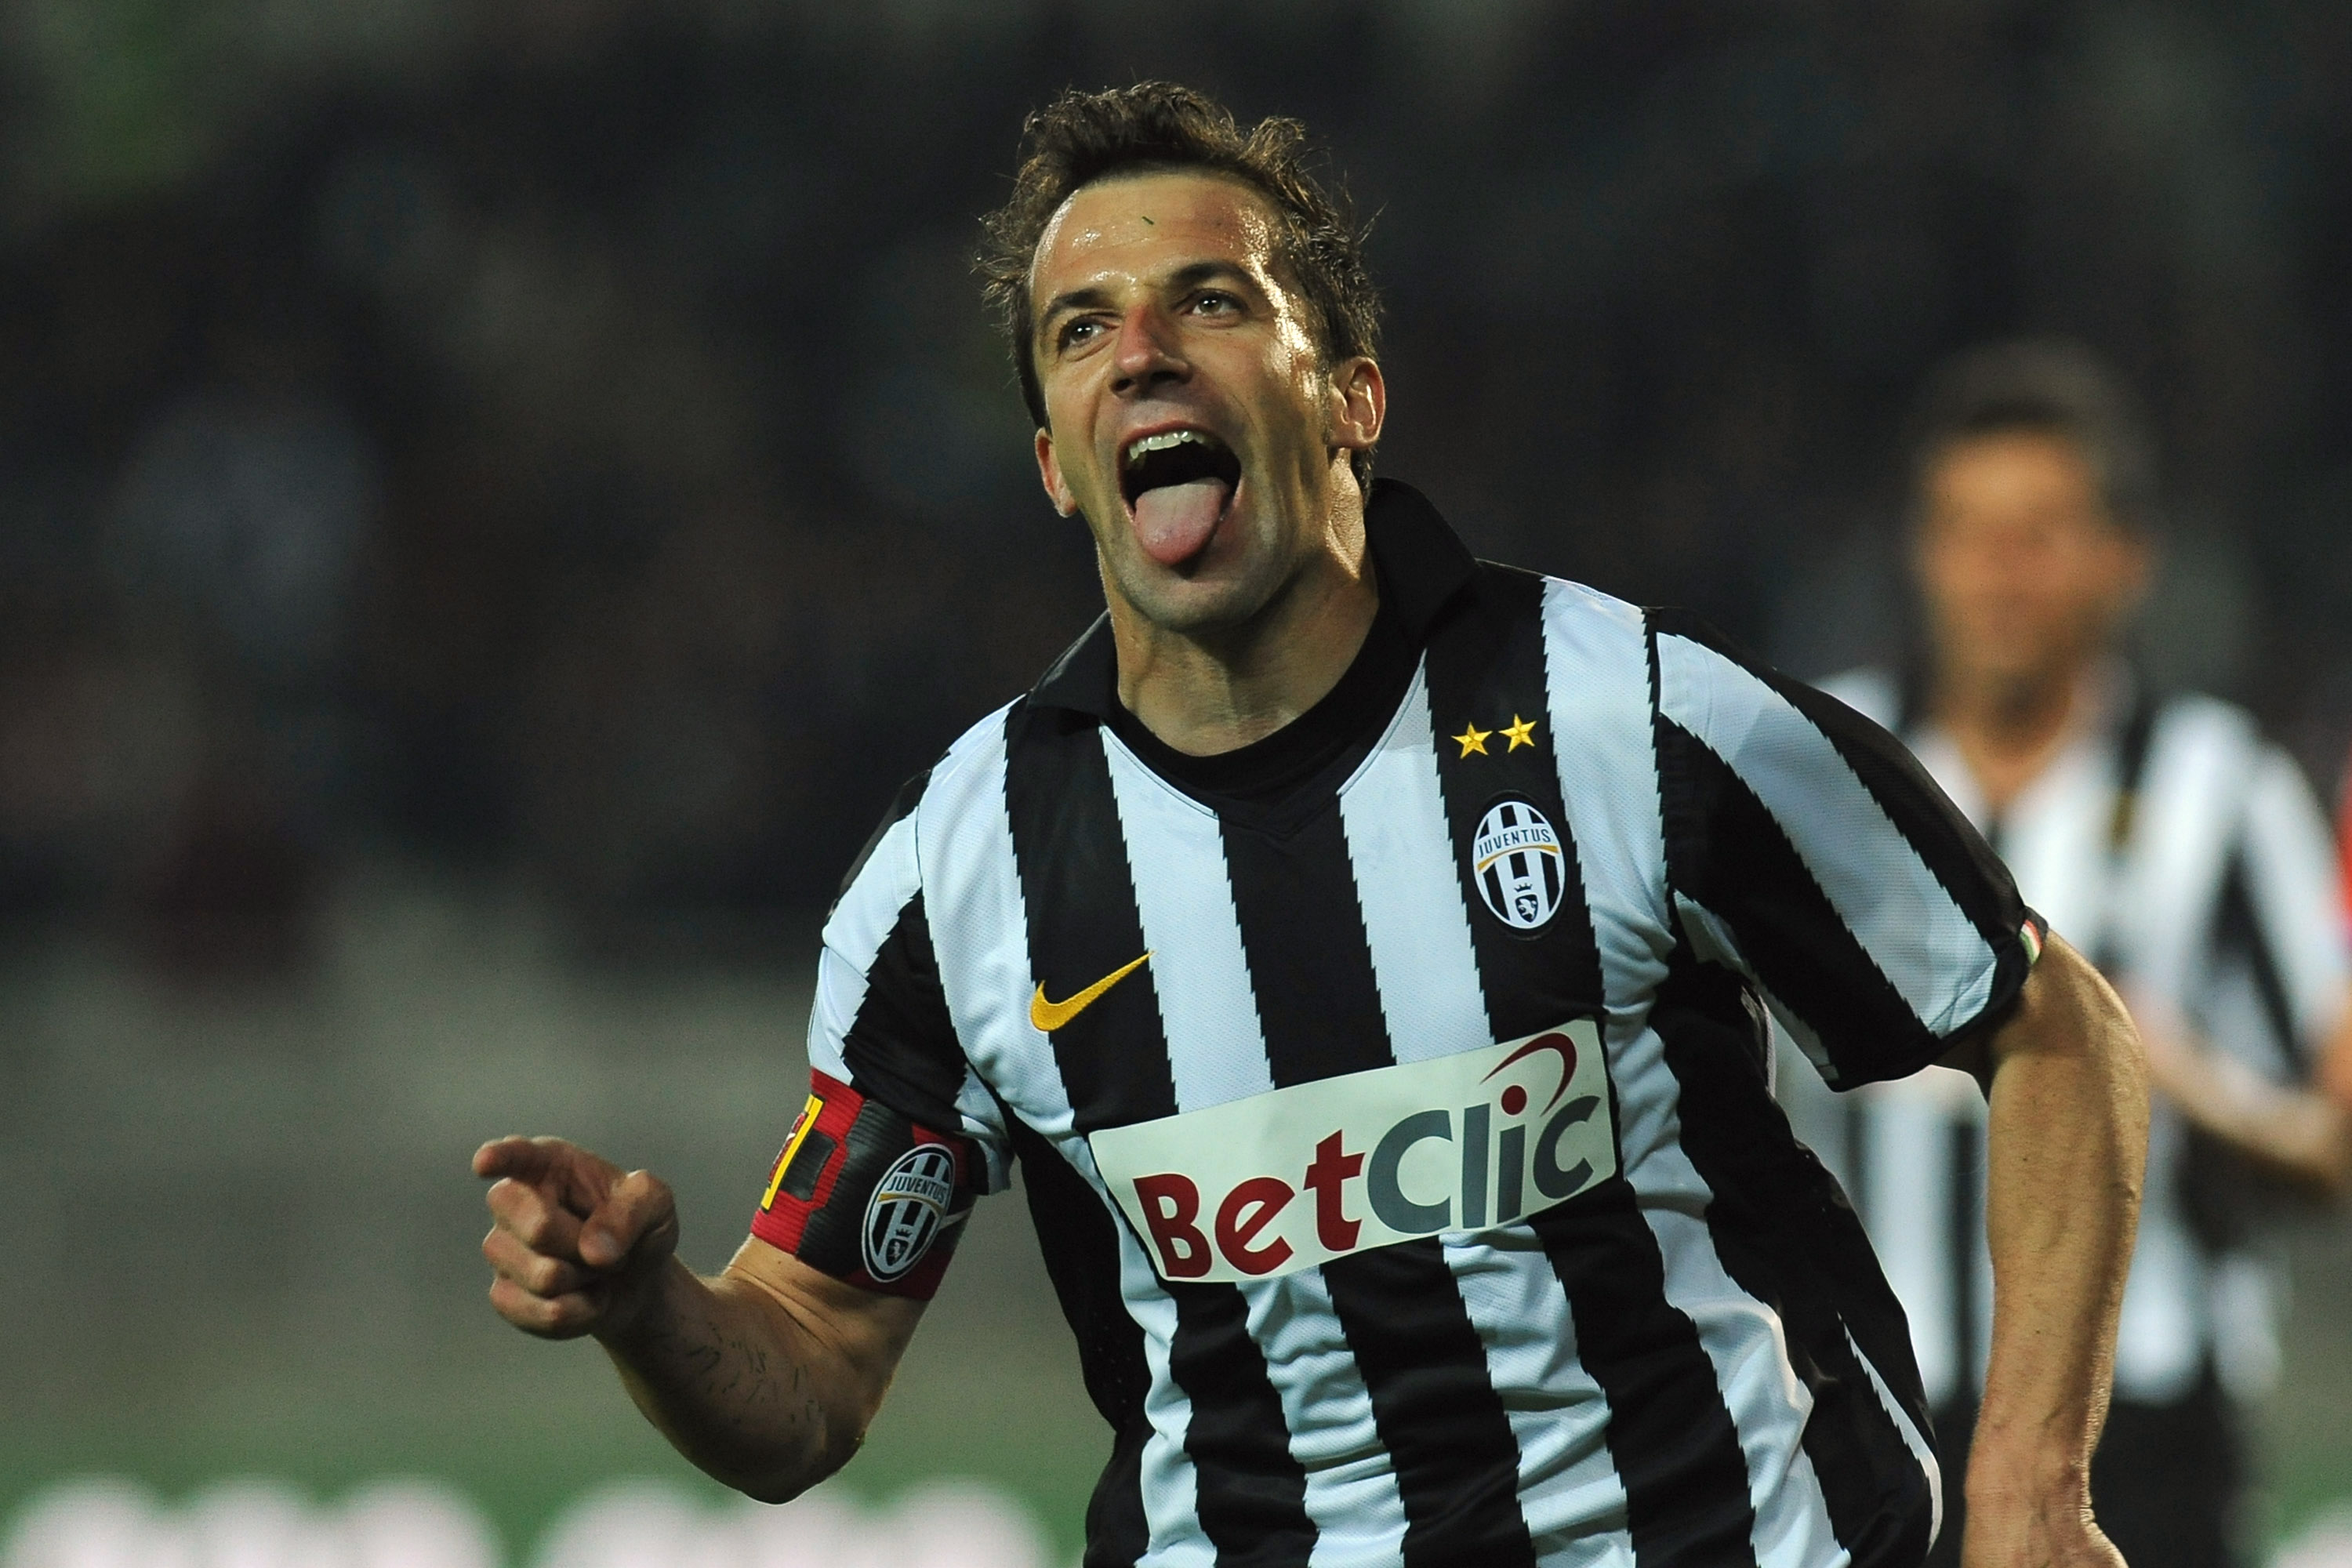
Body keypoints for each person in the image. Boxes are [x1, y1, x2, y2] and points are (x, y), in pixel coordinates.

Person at [474, 85, 2148, 1568]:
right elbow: (811, 1360)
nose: (1140, 352)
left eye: (1210, 300)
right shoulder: (964, 873)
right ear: (1061, 466)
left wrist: (2030, 1484)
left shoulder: (1627, 721)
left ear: (1350, 394)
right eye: (1080, 329)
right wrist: (647, 1315)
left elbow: (2050, 1023)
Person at [1777, 339, 2352, 1568]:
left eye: (2040, 532)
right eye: (1967, 530)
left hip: (2138, 1432)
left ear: (2125, 560)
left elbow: (2340, 1142)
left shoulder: (2226, 787)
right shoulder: (1809, 767)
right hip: (1856, 1422)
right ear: (1920, 552)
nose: (2000, 572)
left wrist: (2177, 1078)